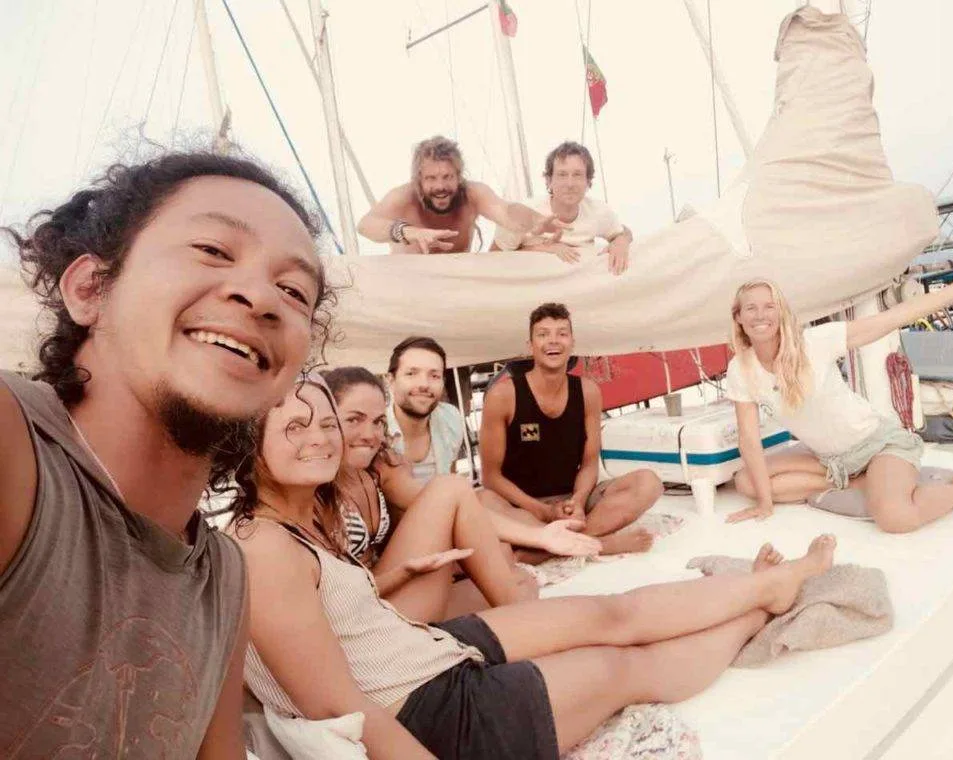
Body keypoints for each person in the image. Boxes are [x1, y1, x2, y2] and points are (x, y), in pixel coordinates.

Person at [0, 152, 329, 757]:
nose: (261, 298)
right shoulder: (17, 448)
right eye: (212, 249)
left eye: (294, 290)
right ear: (90, 289)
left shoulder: (223, 576)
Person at [230, 440, 838, 760]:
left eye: (322, 421)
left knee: (610, 613)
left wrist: (392, 580)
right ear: (241, 446)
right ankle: (757, 613)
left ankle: (767, 586)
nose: (319, 437)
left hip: (421, 653)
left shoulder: (296, 521)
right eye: (292, 426)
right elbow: (340, 706)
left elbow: (322, 622)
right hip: (428, 714)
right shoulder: (261, 547)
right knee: (626, 667)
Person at [725, 259, 953, 532]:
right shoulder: (741, 368)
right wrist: (764, 503)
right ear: (738, 317)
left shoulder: (815, 342)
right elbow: (748, 439)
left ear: (781, 313)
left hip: (877, 445)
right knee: (747, 481)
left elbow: (896, 316)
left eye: (769, 306)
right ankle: (861, 482)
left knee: (896, 519)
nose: (760, 315)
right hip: (829, 459)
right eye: (750, 308)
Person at [322, 367, 601, 620]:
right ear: (327, 419)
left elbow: (454, 511)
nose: (370, 434)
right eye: (354, 420)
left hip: (394, 589)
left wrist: (541, 536)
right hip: (364, 610)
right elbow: (331, 595)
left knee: (520, 579)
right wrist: (406, 571)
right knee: (452, 488)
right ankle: (529, 622)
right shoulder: (314, 486)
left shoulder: (380, 469)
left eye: (378, 422)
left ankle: (521, 603)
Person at [480, 303, 664, 555]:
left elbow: (589, 463)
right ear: (530, 345)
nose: (552, 341)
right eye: (543, 334)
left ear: (572, 343)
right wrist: (540, 510)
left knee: (648, 483)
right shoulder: (503, 396)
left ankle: (548, 550)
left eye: (562, 334)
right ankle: (597, 544)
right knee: (481, 502)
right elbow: (491, 477)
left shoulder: (588, 391)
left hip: (573, 501)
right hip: (522, 507)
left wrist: (577, 500)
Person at [357, 135, 565, 254]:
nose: (440, 186)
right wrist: (409, 232)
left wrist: (534, 220)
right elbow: (366, 225)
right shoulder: (403, 197)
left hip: (456, 286)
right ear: (419, 180)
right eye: (431, 178)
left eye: (447, 177)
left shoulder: (472, 194)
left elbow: (506, 211)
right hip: (410, 287)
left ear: (459, 176)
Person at [493, 141, 633, 275]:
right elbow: (492, 259)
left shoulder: (598, 211)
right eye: (562, 175)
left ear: (588, 182)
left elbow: (622, 232)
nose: (570, 184)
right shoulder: (524, 213)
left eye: (577, 175)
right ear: (549, 181)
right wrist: (543, 249)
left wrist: (621, 242)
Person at [385, 336, 465, 483]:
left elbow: (449, 481)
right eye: (411, 373)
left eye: (434, 376)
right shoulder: (376, 431)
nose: (424, 384)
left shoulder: (450, 418)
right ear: (391, 381)